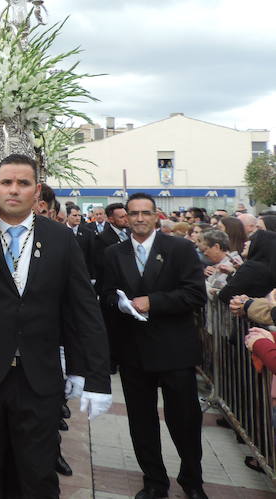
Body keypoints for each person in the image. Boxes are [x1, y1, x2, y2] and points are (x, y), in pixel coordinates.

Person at [0, 153, 111, 497]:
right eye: (6, 182)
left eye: (23, 183)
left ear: (37, 190)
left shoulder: (60, 239)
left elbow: (82, 309)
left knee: (37, 473)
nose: (13, 190)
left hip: (37, 376)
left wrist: (95, 376)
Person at [101, 193, 208, 499]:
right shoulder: (113, 253)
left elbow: (195, 295)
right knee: (141, 421)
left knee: (185, 421)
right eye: (133, 213)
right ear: (126, 217)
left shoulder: (181, 249)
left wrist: (154, 302)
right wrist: (119, 304)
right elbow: (106, 294)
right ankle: (154, 481)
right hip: (134, 352)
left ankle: (192, 480)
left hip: (175, 351)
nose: (139, 218)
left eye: (145, 213)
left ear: (156, 215)